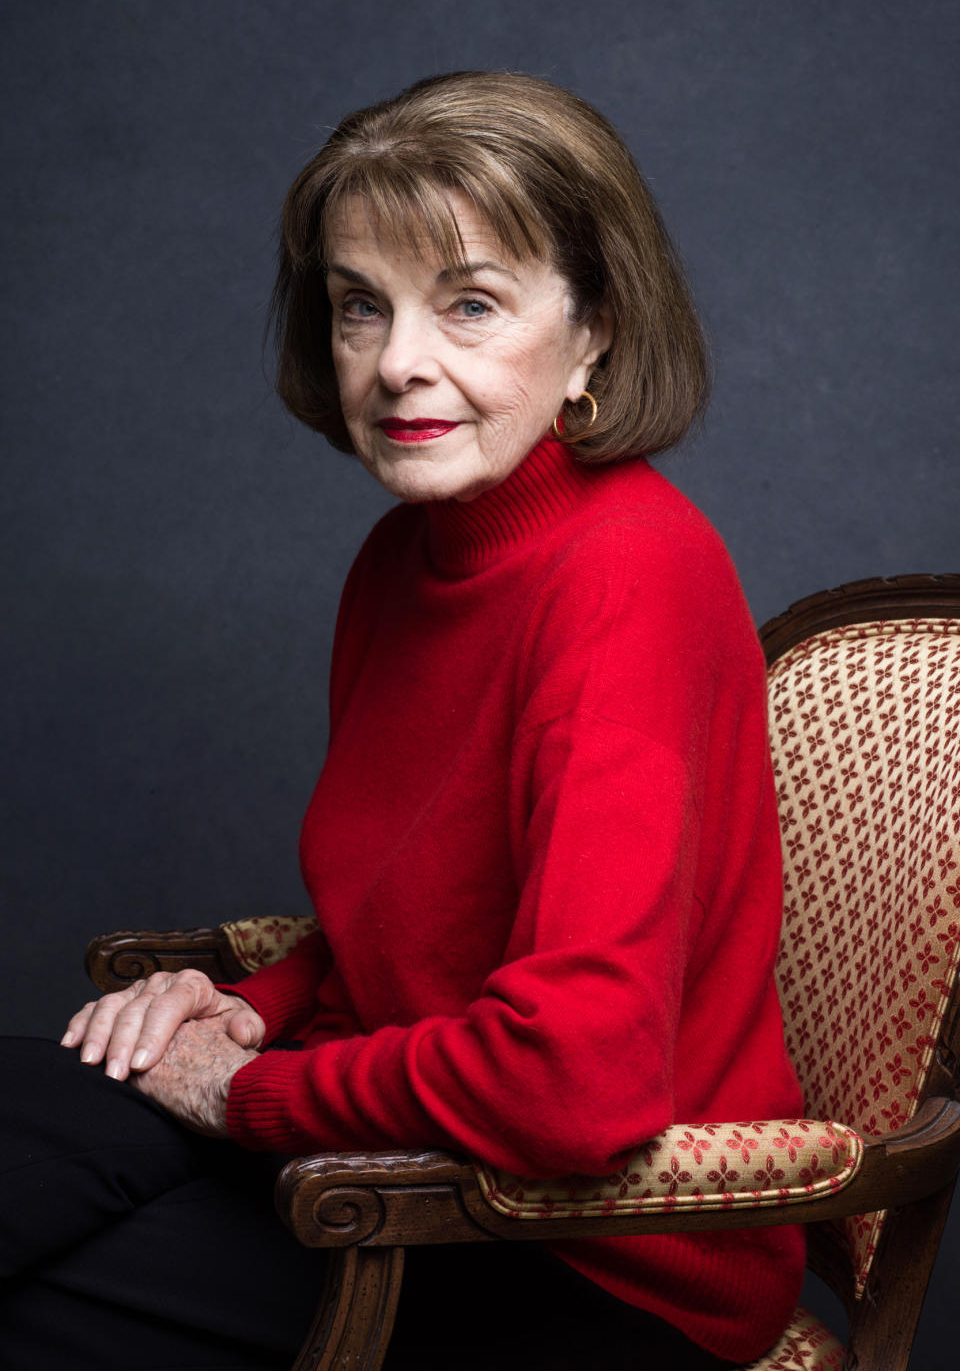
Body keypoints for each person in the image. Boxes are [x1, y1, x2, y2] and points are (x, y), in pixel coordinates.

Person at [0, 72, 804, 1369]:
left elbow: (572, 1079)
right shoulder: (401, 560)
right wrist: (247, 1008)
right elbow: (423, 917)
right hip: (394, 1165)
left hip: (590, 1256)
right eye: (358, 304)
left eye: (470, 303)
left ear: (595, 329)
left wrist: (243, 1093)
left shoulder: (631, 575)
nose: (398, 362)